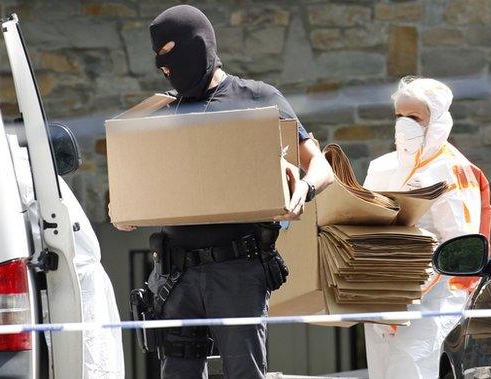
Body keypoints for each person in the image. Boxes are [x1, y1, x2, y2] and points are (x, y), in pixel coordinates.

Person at [115, 5, 334, 379]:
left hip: (237, 270)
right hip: (174, 275)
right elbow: (128, 185)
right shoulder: (161, 112)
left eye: (170, 53)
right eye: (159, 60)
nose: (165, 67)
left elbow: (321, 166)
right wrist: (122, 206)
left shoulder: (258, 98)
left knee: (245, 374)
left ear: (198, 44)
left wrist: (305, 190)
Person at [362, 77, 484, 379]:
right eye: (399, 116)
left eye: (414, 117)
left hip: (433, 302)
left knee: (413, 370)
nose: (404, 124)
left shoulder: (453, 170)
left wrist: (414, 283)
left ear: (437, 121)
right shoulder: (381, 167)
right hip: (381, 299)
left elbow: (461, 245)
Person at [9, 141, 125, 378]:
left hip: (72, 280)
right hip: (63, 278)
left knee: (88, 362)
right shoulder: (21, 165)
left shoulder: (16, 166)